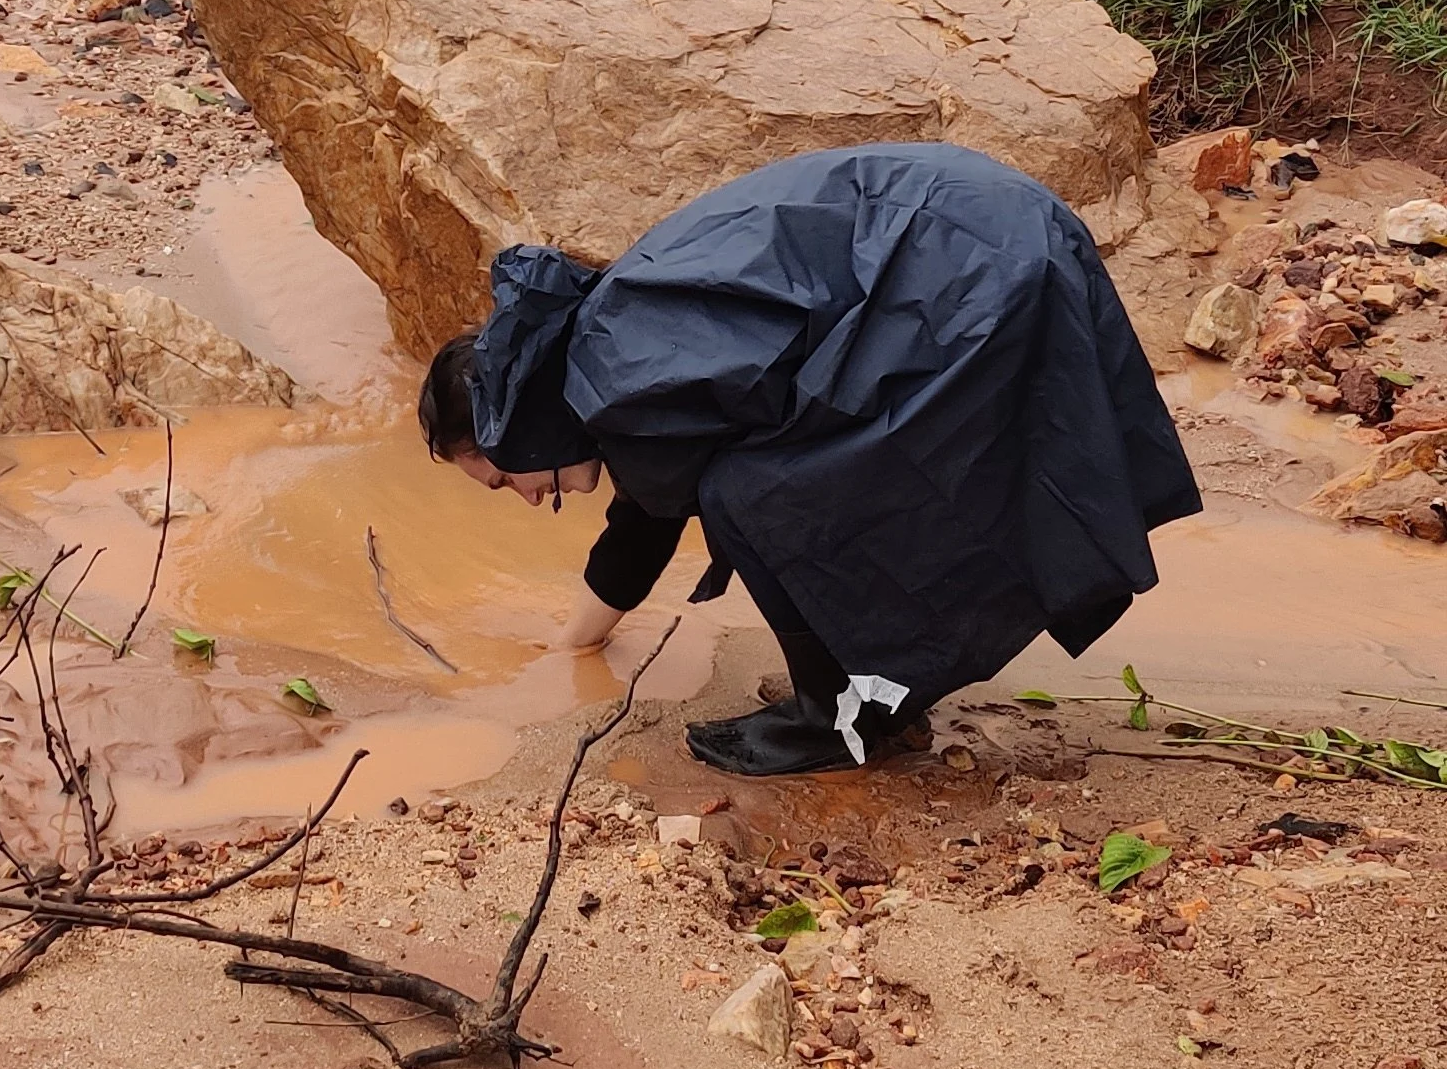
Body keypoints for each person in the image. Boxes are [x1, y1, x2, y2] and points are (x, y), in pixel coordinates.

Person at [418, 143, 1200, 777]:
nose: (524, 497)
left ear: (510, 431)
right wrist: (574, 648)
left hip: (972, 263)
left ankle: (837, 723)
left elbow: (684, 507)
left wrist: (567, 652)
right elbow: (648, 513)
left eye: (501, 479)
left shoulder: (616, 362)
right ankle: (877, 690)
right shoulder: (597, 349)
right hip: (977, 228)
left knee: (753, 495)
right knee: (783, 478)